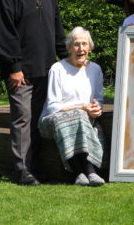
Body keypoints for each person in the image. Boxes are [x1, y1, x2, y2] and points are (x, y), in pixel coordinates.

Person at [0, 0, 67, 185]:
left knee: (37, 121)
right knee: (22, 120)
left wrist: (68, 62)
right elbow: (5, 35)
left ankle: (34, 167)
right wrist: (14, 67)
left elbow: (58, 34)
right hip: (21, 73)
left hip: (47, 72)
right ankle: (21, 169)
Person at [38, 27, 106, 186]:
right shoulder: (58, 68)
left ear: (89, 47)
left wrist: (97, 108)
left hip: (84, 119)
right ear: (69, 48)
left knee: (82, 118)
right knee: (78, 116)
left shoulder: (95, 69)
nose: (81, 49)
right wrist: (81, 108)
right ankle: (85, 171)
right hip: (51, 121)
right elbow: (53, 106)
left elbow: (99, 100)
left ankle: (82, 175)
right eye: (76, 44)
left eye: (84, 44)